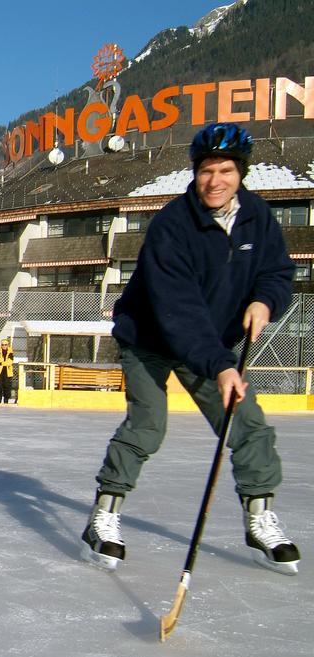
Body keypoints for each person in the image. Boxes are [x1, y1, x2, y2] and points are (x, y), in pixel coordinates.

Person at [81, 121, 300, 575]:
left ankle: (258, 518)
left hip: (209, 347)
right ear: (194, 172)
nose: (215, 181)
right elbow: (179, 311)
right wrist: (221, 366)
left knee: (248, 422)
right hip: (149, 339)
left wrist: (266, 300)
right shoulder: (172, 226)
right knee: (148, 425)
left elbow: (277, 272)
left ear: (241, 173)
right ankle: (104, 515)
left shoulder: (258, 218)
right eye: (206, 170)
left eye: (225, 170)